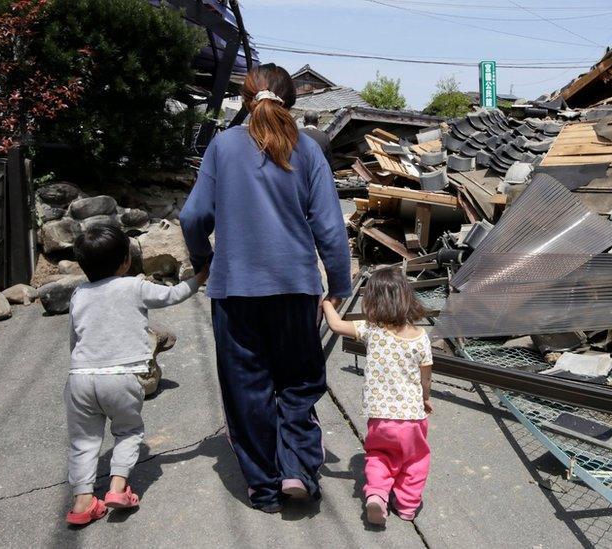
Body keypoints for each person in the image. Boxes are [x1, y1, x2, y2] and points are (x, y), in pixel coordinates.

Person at [179, 63, 352, 513]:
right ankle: (296, 468)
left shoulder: (222, 146)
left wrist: (204, 261)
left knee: (246, 385)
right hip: (295, 289)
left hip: (235, 292)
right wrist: (338, 285)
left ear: (245, 98)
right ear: (290, 101)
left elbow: (193, 217)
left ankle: (262, 483)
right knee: (298, 380)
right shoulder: (309, 149)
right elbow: (331, 229)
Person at [63, 224, 208, 525]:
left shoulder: (78, 295)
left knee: (84, 440)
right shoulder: (134, 286)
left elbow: (75, 339)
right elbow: (173, 295)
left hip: (80, 377)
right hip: (121, 377)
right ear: (126, 261)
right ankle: (117, 489)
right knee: (128, 431)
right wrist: (199, 279)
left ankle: (82, 502)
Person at [321, 268, 433, 526]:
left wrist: (328, 302)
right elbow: (425, 379)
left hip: (380, 419)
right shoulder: (421, 338)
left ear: (371, 301)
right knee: (414, 461)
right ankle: (406, 507)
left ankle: (377, 495)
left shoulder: (372, 330)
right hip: (412, 419)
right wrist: (425, 398)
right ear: (407, 297)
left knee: (379, 456)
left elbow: (336, 325)